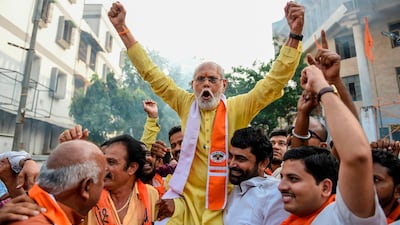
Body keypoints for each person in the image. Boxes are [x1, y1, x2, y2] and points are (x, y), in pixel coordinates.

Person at [108, 2, 304, 224]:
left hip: (225, 205)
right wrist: (123, 29)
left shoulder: (239, 107)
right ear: (193, 85)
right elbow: (152, 74)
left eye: (212, 79)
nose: (206, 85)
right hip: (184, 205)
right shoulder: (185, 102)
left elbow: (273, 82)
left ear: (224, 85)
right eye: (200, 79)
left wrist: (295, 36)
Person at [278, 65, 386, 224]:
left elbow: (355, 155)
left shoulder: (344, 215)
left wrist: (323, 86)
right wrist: (303, 113)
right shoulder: (292, 218)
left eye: (293, 179)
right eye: (282, 177)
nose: (280, 186)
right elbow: (300, 155)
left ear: (325, 187)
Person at [8, 140, 107, 225]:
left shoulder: (32, 209)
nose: (104, 186)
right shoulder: (33, 220)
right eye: (102, 180)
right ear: (86, 186)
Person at [85, 134, 159, 225]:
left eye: (111, 162)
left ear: (132, 168)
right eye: (103, 161)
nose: (103, 168)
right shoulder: (89, 194)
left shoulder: (151, 194)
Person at [224, 127, 288, 225]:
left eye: (240, 159)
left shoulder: (276, 195)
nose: (232, 164)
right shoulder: (231, 188)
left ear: (263, 163)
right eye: (230, 156)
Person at [371, 149, 400, 224]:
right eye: (361, 178)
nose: (364, 185)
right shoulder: (339, 207)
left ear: (398, 190)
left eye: (376, 180)